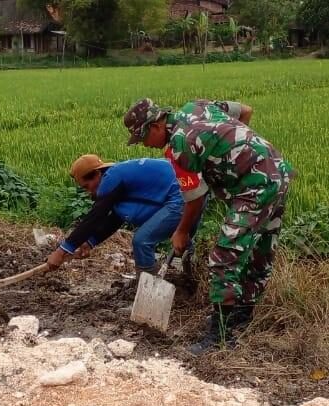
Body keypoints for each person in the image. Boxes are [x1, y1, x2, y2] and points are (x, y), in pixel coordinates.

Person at [123, 98, 293, 355]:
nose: (145, 145)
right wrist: (229, 156)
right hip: (277, 173)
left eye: (144, 138)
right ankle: (242, 316)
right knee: (260, 250)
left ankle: (219, 337)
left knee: (224, 257)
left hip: (254, 188)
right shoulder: (197, 107)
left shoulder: (179, 148)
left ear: (155, 126)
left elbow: (194, 199)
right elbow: (245, 111)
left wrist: (180, 232)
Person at [45, 154, 199, 280]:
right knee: (183, 244)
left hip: (183, 197)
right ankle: (192, 280)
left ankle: (147, 288)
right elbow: (116, 218)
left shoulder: (111, 179)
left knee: (142, 241)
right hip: (194, 195)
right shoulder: (120, 178)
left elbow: (95, 216)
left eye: (87, 186)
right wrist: (90, 242)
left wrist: (62, 250)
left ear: (98, 174)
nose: (88, 192)